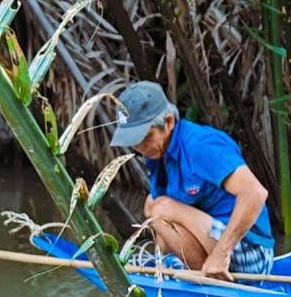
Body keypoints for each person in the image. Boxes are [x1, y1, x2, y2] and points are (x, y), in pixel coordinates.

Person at [110, 81, 274, 282]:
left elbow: (255, 194)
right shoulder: (157, 153)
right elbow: (162, 222)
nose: (140, 147)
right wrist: (157, 263)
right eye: (134, 141)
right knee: (152, 204)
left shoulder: (200, 145)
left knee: (160, 208)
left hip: (250, 255)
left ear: (168, 123)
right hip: (214, 243)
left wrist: (221, 254)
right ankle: (190, 269)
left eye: (146, 136)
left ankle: (214, 276)